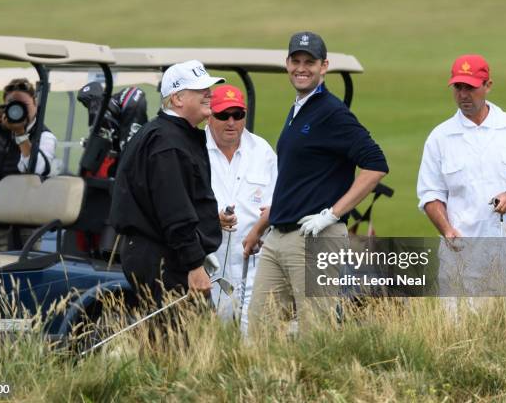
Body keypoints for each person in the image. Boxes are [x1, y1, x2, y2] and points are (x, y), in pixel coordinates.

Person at [247, 32, 389, 334]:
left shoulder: (332, 112)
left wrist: (333, 213)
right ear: (287, 64)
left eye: (309, 62)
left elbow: (376, 165)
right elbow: (294, 182)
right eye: (296, 61)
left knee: (316, 333)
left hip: (317, 238)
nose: (302, 68)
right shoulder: (299, 108)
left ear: (324, 66)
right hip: (279, 238)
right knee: (259, 328)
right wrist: (261, 227)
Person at [110, 60, 224, 306]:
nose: (209, 93)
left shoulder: (167, 134)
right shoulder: (168, 142)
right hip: (164, 257)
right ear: (177, 98)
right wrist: (194, 262)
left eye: (209, 88)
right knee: (190, 338)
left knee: (169, 339)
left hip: (160, 252)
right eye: (200, 89)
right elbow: (174, 210)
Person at [417, 54, 506, 239]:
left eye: (470, 87)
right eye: (458, 87)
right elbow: (430, 193)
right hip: (464, 248)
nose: (463, 95)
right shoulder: (440, 137)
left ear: (488, 86)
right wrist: (446, 230)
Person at [205, 85, 277, 332]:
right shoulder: (194, 150)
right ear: (209, 115)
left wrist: (263, 224)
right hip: (210, 263)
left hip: (255, 261)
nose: (231, 122)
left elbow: (277, 201)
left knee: (254, 336)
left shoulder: (262, 151)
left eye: (238, 115)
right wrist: (211, 219)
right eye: (223, 115)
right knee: (214, 338)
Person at [0, 78, 57, 253]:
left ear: (35, 104)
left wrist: (20, 135)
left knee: (16, 279)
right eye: (12, 105)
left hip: (19, 229)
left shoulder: (44, 136)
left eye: (23, 105)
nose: (17, 110)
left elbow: (36, 168)